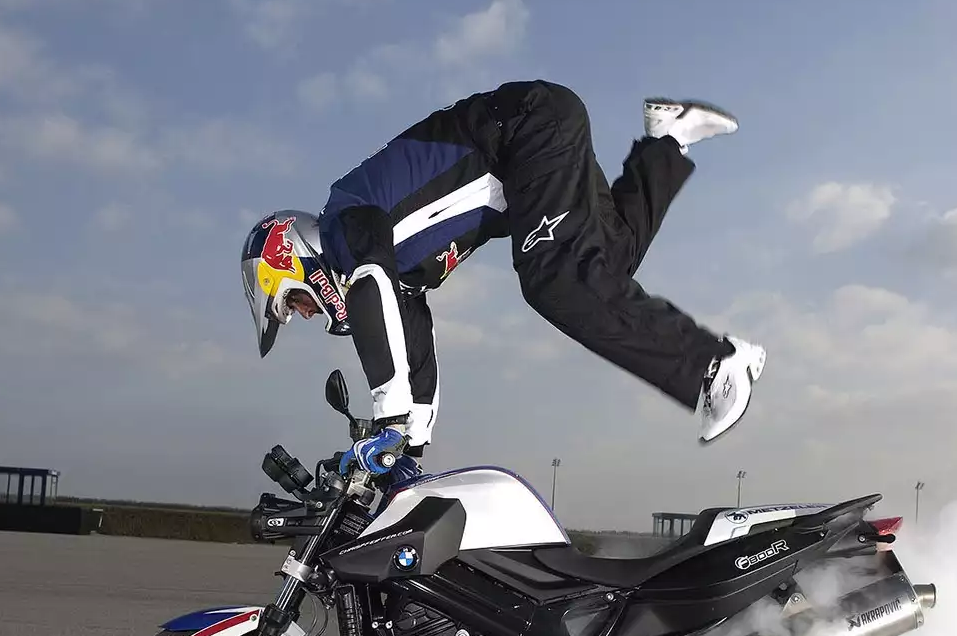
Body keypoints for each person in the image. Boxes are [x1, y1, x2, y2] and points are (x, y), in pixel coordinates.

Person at [240, 79, 765, 475]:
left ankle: (713, 365)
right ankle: (668, 141)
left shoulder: (343, 223)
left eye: (293, 302)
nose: (307, 313)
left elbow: (370, 286)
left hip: (523, 130)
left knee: (555, 280)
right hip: (531, 151)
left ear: (289, 255)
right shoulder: (399, 278)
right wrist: (406, 450)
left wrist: (388, 415)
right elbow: (414, 350)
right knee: (603, 268)